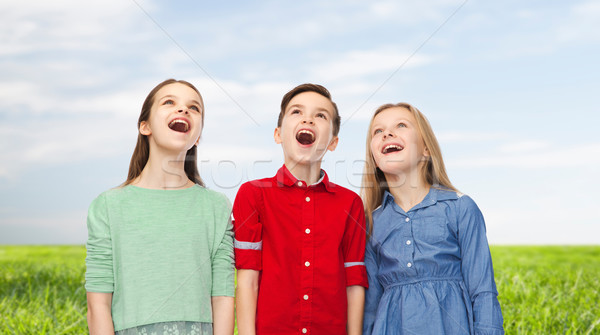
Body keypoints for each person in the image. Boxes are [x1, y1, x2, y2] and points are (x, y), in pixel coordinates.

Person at [85, 79, 235, 335]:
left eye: (194, 108)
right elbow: (98, 304)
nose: (183, 110)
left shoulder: (216, 207)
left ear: (198, 136)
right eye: (169, 102)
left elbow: (222, 298)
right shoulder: (108, 206)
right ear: (145, 126)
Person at [233, 83, 368, 335]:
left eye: (320, 115)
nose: (308, 118)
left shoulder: (350, 203)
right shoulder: (252, 195)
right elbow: (247, 280)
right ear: (278, 134)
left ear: (333, 142)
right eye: (297, 112)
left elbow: (354, 281)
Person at [361, 103, 504, 334]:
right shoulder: (371, 223)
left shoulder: (460, 208)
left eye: (401, 125)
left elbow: (483, 291)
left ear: (426, 149)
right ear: (375, 158)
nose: (387, 133)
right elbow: (370, 307)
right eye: (378, 131)